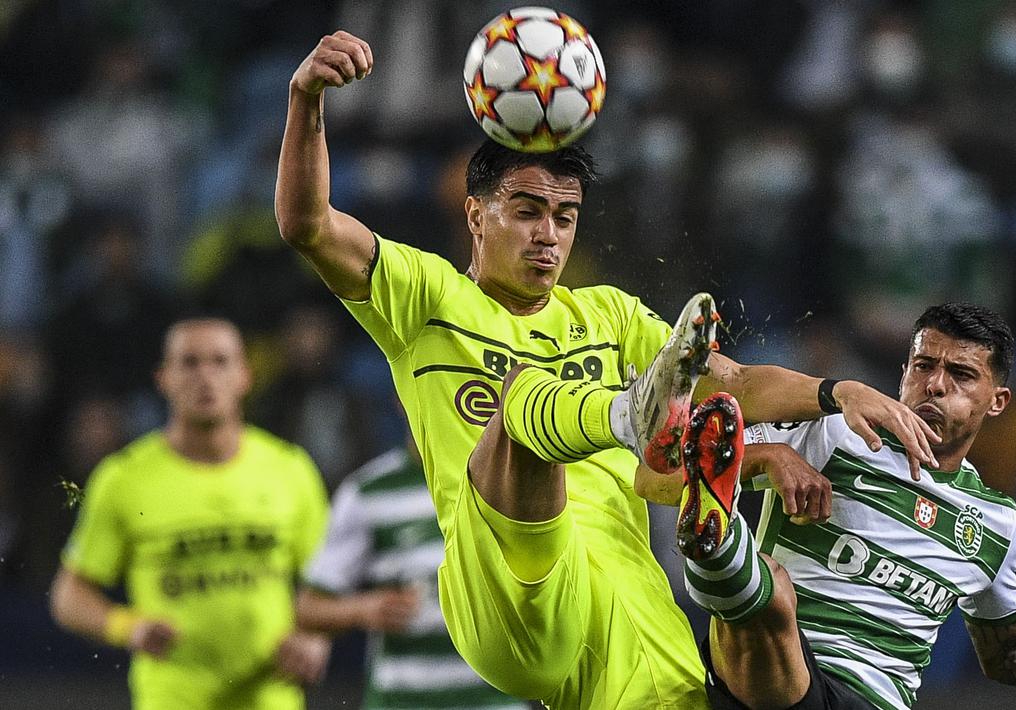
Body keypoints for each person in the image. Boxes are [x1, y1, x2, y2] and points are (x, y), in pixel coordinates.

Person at [275, 30, 940, 709]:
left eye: (564, 218)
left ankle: (646, 423)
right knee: (521, 403)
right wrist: (307, 100)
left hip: (620, 591)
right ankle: (627, 414)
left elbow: (735, 384)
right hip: (506, 583)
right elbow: (307, 224)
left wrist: (838, 391)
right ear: (476, 215)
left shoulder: (608, 315)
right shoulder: (427, 296)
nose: (548, 236)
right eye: (527, 212)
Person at [665, 303, 1016, 710]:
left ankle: (717, 547)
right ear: (903, 372)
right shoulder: (833, 430)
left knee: (768, 597)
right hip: (762, 677)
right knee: (775, 603)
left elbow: (1013, 656)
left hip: (872, 698)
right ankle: (714, 533)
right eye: (922, 366)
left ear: (997, 401)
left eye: (960, 375)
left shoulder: (996, 523)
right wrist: (765, 454)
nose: (935, 386)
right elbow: (663, 459)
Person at [50, 317, 332, 710]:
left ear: (244, 376)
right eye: (189, 363)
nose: (206, 377)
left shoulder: (290, 470)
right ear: (163, 378)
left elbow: (329, 585)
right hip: (170, 699)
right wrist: (127, 627)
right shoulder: (124, 478)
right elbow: (69, 596)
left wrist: (315, 638)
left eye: (220, 362)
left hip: (270, 696)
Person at [296, 440, 525, 709]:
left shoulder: (507, 477)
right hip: (401, 700)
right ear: (401, 400)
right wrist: (364, 609)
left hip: (495, 701)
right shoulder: (369, 491)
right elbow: (308, 608)